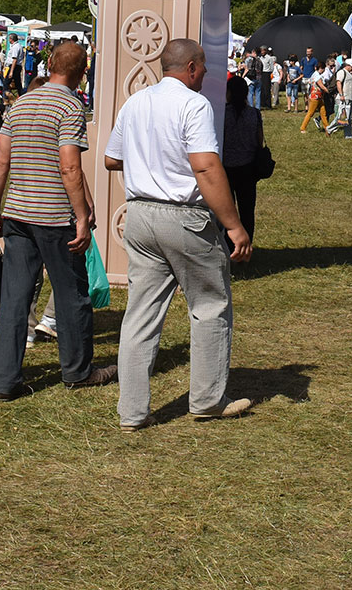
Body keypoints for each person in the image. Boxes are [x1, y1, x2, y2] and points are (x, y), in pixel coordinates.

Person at [106, 38, 254, 428]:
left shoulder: (136, 102)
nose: (204, 74)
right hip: (183, 216)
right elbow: (205, 167)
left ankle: (132, 412)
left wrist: (150, 162)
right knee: (210, 306)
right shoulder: (194, 104)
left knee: (140, 314)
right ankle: (207, 399)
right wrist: (234, 225)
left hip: (139, 215)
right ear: (190, 67)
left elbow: (111, 158)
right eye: (203, 67)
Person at [0, 41, 116, 399]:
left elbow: (1, 163)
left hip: (17, 215)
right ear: (82, 72)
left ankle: (4, 380)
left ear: (51, 64)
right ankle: (78, 371)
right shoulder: (70, 107)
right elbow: (70, 167)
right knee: (72, 295)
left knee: (15, 297)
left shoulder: (20, 104)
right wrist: (82, 216)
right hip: (55, 217)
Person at [222, 73, 265, 246]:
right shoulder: (254, 114)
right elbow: (259, 140)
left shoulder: (223, 114)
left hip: (226, 168)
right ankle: (246, 246)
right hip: (248, 167)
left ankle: (229, 246)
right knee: (247, 211)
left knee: (227, 210)